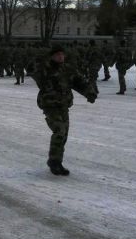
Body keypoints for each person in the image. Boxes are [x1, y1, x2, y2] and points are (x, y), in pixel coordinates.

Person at [33, 45, 96, 176]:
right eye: (57, 55)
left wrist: (89, 93)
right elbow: (32, 70)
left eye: (62, 54)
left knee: (64, 135)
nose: (61, 57)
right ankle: (54, 162)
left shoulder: (67, 69)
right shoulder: (45, 69)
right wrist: (41, 58)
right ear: (52, 56)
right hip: (50, 106)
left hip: (63, 106)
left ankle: (57, 161)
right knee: (59, 131)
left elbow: (78, 82)